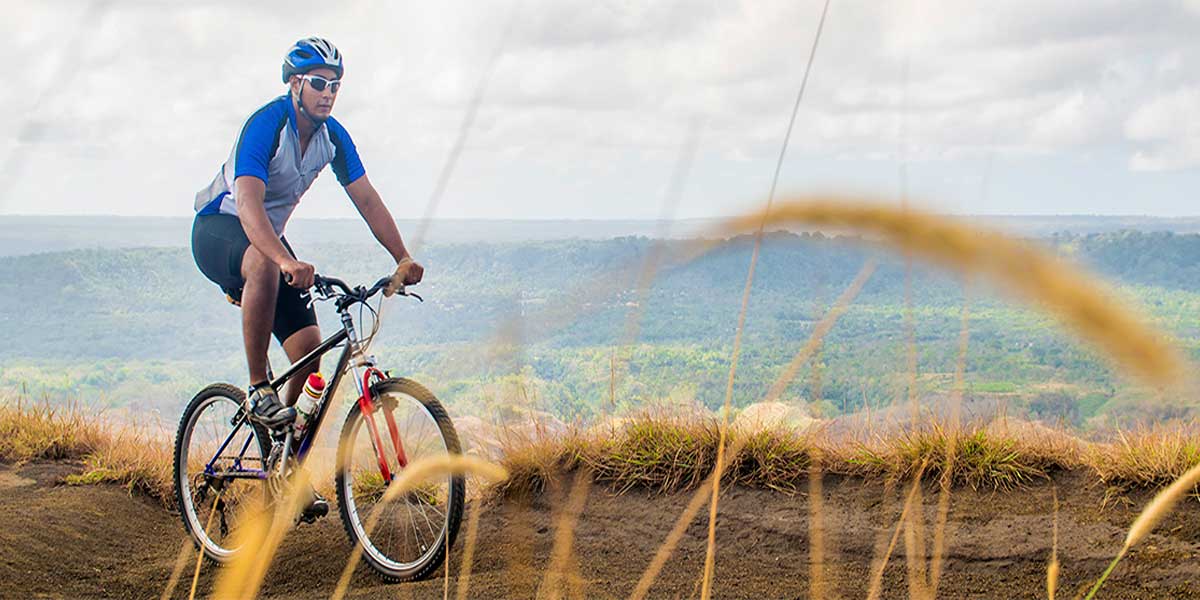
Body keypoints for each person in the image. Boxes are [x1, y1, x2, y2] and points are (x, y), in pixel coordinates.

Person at [191, 37, 422, 518]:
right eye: (319, 83)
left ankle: (282, 467)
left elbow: (366, 198)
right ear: (295, 83)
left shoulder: (332, 136)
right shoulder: (266, 124)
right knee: (261, 262)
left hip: (267, 239)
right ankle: (258, 389)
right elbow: (249, 205)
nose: (328, 93)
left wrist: (401, 257)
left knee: (310, 356)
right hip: (221, 229)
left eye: (335, 85)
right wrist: (282, 261)